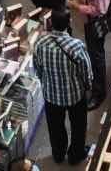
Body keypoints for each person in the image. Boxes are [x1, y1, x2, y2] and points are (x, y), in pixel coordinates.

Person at [33, 26, 94, 165]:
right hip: (75, 95)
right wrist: (87, 86)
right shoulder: (77, 46)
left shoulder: (40, 43)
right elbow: (87, 71)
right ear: (68, 24)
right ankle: (76, 155)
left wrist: (46, 81)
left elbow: (37, 68)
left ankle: (58, 154)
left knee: (55, 127)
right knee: (78, 126)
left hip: (51, 95)